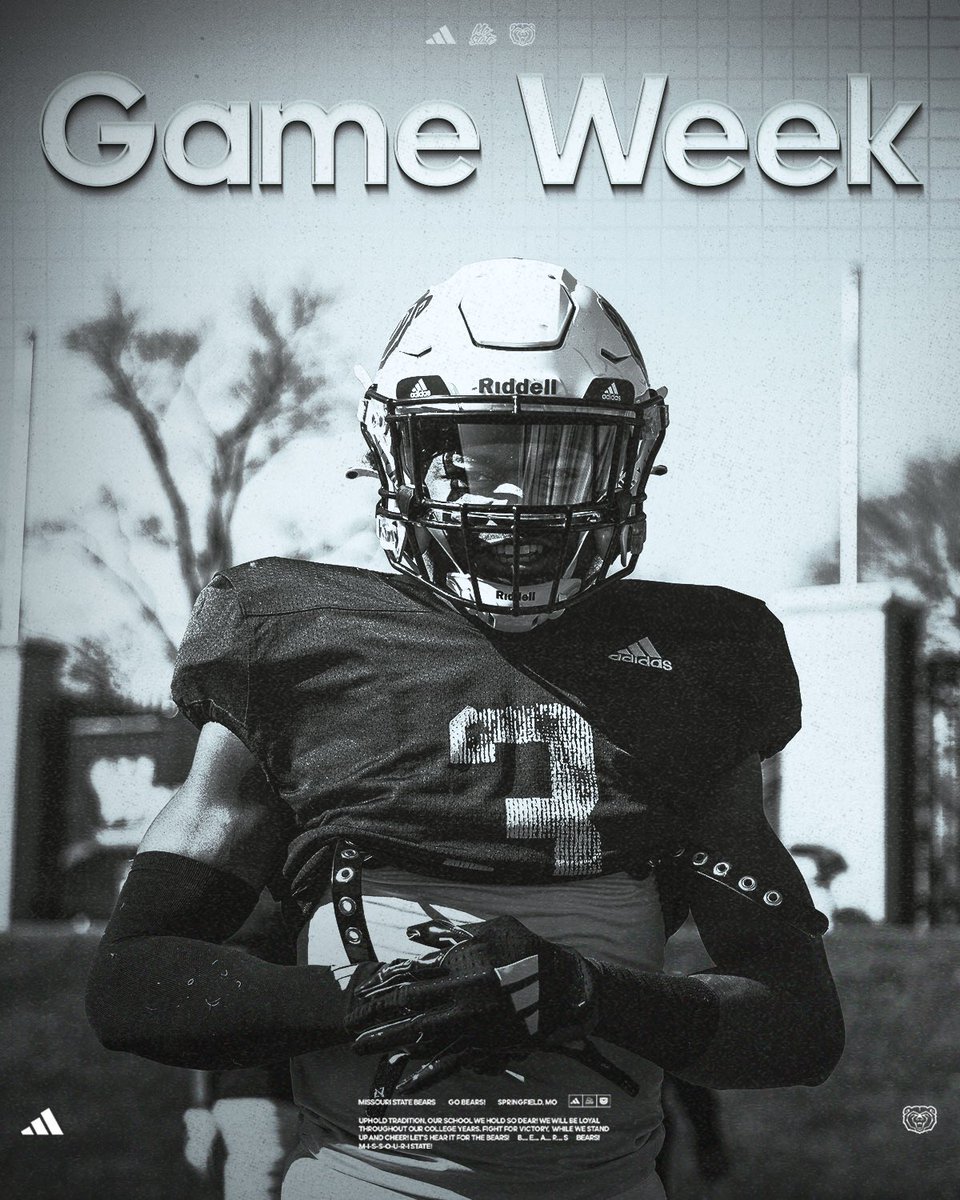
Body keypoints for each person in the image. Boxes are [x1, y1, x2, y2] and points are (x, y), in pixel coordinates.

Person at [85, 259, 844, 1200]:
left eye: (561, 454)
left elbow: (798, 1025)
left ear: (631, 454)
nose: (516, 500)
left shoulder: (701, 659)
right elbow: (134, 983)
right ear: (397, 450)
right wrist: (374, 1000)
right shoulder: (291, 638)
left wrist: (580, 995)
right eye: (473, 453)